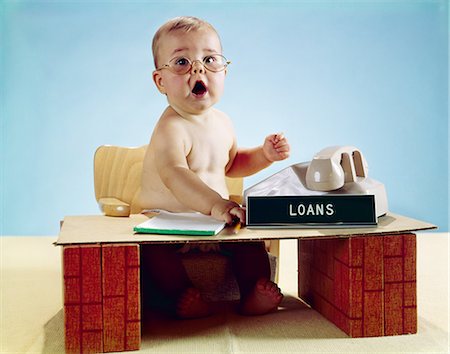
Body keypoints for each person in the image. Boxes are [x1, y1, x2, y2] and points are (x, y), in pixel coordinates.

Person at [139, 16, 290, 319]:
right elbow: (175, 174)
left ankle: (252, 293)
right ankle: (181, 298)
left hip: (214, 223)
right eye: (181, 62)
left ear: (224, 70)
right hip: (169, 225)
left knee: (251, 246)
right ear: (160, 81)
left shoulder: (223, 122)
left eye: (209, 59)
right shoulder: (171, 127)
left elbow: (233, 164)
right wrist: (216, 204)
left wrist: (263, 154)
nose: (198, 69)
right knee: (153, 257)